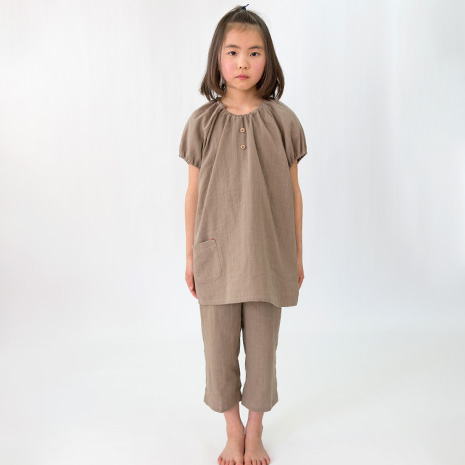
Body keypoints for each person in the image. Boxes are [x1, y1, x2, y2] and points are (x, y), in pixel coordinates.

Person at [179, 5, 307, 465]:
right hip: (215, 255)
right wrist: (190, 256)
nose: (243, 62)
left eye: (254, 53)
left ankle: (255, 431)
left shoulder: (284, 121)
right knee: (218, 353)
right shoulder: (201, 123)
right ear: (217, 58)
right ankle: (232, 430)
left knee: (262, 352)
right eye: (232, 52)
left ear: (267, 60)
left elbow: (294, 193)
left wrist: (296, 255)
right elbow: (193, 194)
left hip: (267, 255)